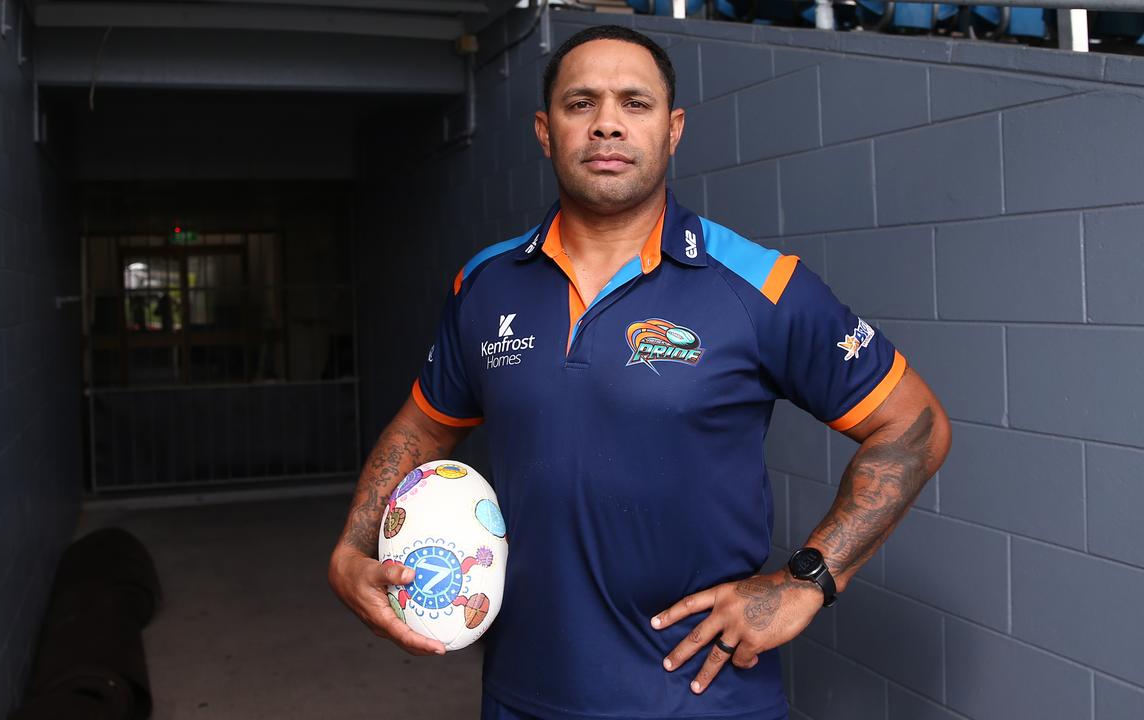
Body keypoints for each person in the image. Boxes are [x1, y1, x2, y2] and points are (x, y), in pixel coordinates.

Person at [328, 24, 951, 720]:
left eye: (635, 102)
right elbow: (421, 426)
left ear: (674, 127)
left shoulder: (760, 287)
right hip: (522, 696)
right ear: (543, 130)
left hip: (704, 702)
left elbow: (913, 426)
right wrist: (356, 542)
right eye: (580, 103)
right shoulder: (485, 285)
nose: (606, 125)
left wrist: (807, 580)